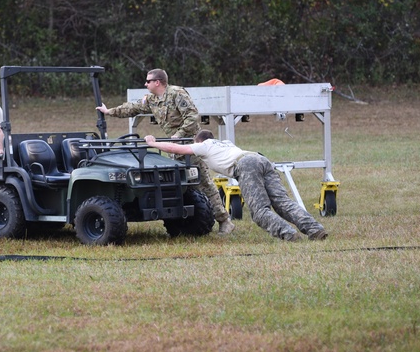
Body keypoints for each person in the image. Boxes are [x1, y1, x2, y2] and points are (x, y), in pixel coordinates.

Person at [97, 68, 235, 235]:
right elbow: (132, 108)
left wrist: (179, 134)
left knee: (202, 182)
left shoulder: (177, 94)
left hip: (190, 145)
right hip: (173, 147)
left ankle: (224, 221)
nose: (145, 84)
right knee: (177, 183)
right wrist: (109, 111)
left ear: (157, 82)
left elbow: (192, 117)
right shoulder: (152, 99)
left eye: (148, 81)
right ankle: (183, 221)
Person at [145, 130, 328, 242]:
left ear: (198, 140)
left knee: (260, 211)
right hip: (261, 159)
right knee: (282, 202)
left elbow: (178, 149)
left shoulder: (205, 145)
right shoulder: (225, 143)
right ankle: (315, 230)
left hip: (246, 165)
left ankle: (289, 235)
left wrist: (153, 143)